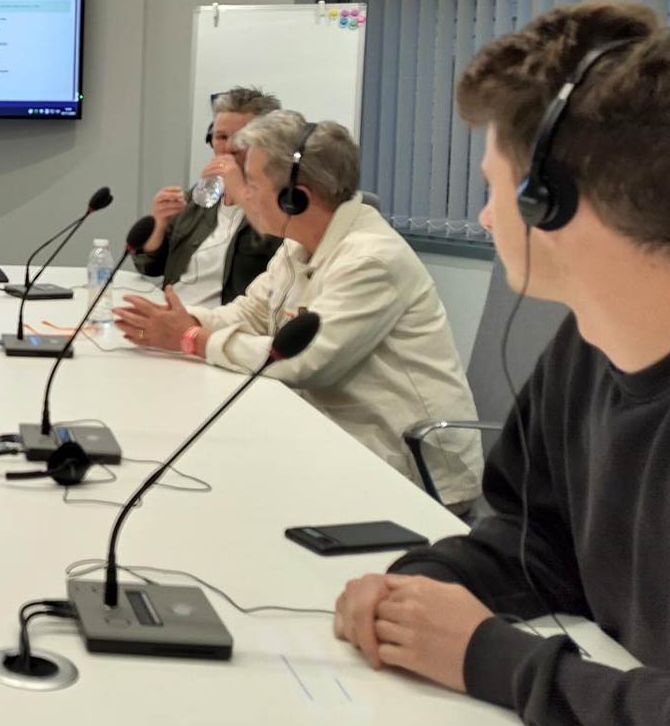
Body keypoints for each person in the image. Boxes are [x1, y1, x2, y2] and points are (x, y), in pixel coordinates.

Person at [332, 0, 670, 726]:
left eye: (496, 189)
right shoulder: (585, 351)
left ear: (552, 202)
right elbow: (539, 546)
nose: (485, 217)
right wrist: (418, 589)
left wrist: (491, 660)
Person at [111, 111, 482, 507]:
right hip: (333, 443)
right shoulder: (297, 244)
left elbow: (304, 361)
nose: (244, 195)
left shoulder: (371, 259)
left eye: (251, 183)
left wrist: (192, 338)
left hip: (405, 472)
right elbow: (250, 314)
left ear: (297, 196)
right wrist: (182, 323)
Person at [133, 86, 287, 308]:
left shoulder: (284, 205)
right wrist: (159, 223)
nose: (228, 148)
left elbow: (285, 261)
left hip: (224, 328)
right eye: (221, 137)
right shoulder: (200, 198)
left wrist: (241, 191)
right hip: (171, 315)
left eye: (242, 139)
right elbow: (149, 267)